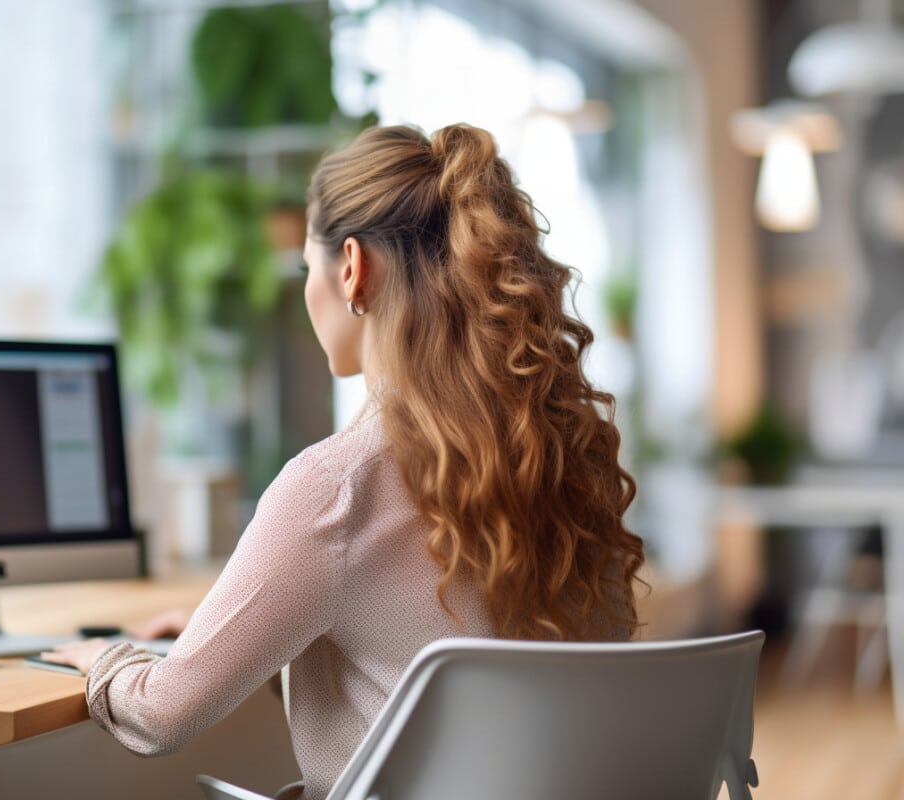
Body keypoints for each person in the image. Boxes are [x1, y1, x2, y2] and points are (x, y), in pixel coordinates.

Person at [46, 122, 646, 800]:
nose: (308, 289)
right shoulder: (564, 460)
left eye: (309, 266)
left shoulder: (335, 487)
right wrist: (231, 631)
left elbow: (160, 713)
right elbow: (419, 657)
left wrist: (104, 660)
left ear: (353, 269)